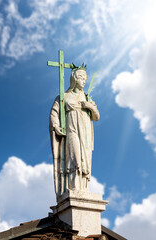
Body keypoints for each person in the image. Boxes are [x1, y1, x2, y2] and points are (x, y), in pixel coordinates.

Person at [49, 68, 100, 197]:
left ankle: (83, 188)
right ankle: (72, 186)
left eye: (85, 79)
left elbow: (96, 116)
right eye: (81, 78)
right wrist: (55, 125)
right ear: (74, 79)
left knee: (84, 159)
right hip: (71, 129)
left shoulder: (87, 98)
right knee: (74, 157)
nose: (83, 81)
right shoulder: (63, 97)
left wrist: (89, 106)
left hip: (85, 132)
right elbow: (54, 113)